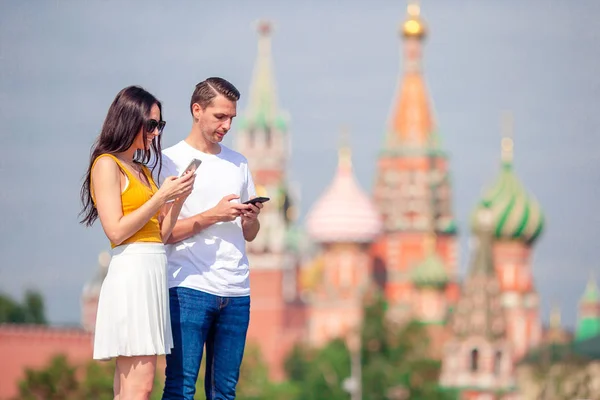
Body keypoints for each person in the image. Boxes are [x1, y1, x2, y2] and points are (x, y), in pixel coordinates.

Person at [79, 85, 196, 399]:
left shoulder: (142, 170)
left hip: (151, 271)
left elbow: (161, 234)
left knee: (133, 387)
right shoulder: (107, 164)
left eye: (160, 125)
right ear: (130, 120)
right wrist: (160, 197)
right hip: (132, 274)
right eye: (151, 124)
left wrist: (178, 199)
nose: (156, 132)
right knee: (139, 387)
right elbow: (115, 231)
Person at [158, 77, 263, 400]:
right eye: (220, 116)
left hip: (236, 290)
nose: (227, 125)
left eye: (232, 117)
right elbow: (165, 234)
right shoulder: (168, 160)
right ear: (197, 110)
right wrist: (213, 215)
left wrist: (251, 219)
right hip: (188, 287)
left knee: (224, 392)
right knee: (181, 386)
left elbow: (250, 235)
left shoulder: (238, 163)